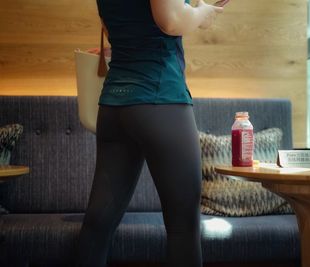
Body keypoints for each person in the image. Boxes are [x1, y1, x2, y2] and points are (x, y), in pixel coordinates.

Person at [74, 0, 224, 267]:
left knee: (99, 224)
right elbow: (170, 20)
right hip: (160, 98)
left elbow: (112, 27)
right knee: (183, 228)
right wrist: (202, 13)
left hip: (114, 105)